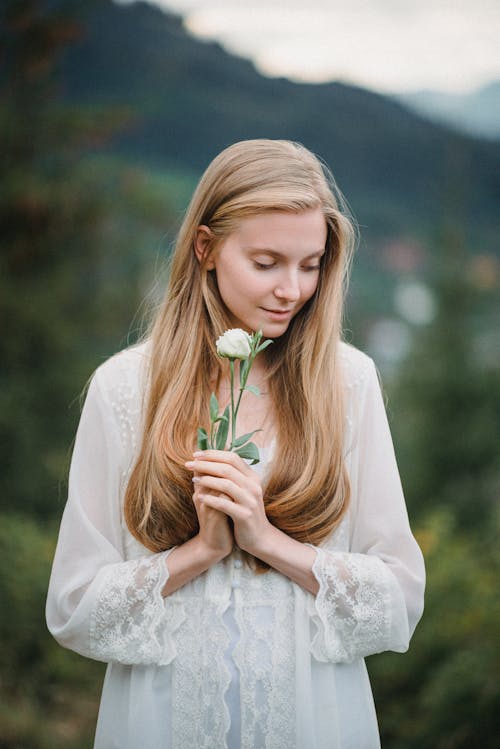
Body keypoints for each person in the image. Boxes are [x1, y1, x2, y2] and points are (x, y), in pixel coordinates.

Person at [46, 139, 425, 749]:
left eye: (312, 264)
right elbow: (74, 609)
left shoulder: (347, 382)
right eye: (268, 261)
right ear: (206, 248)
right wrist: (198, 552)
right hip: (163, 723)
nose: (293, 290)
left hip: (315, 721)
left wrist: (266, 542)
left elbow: (399, 600)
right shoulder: (125, 389)